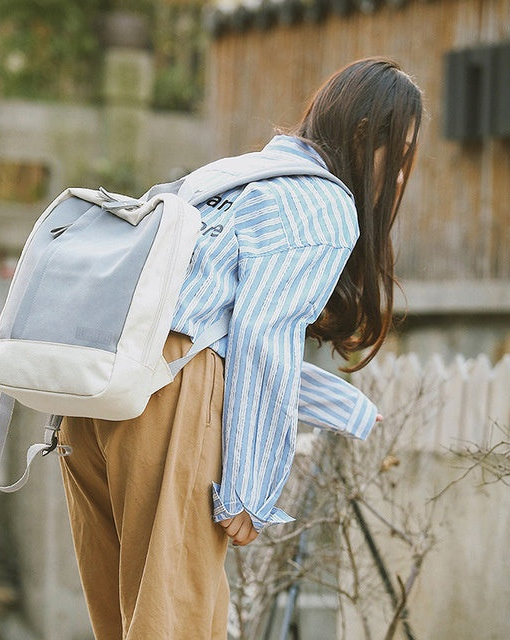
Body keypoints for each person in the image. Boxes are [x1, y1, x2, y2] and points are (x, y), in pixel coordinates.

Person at [59, 57, 423, 640]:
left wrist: (339, 405)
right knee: (176, 620)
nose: (401, 176)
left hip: (95, 386)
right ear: (364, 139)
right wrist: (249, 489)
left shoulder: (230, 175)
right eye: (399, 155)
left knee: (123, 619)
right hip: (165, 394)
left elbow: (212, 325)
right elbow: (261, 341)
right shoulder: (323, 202)